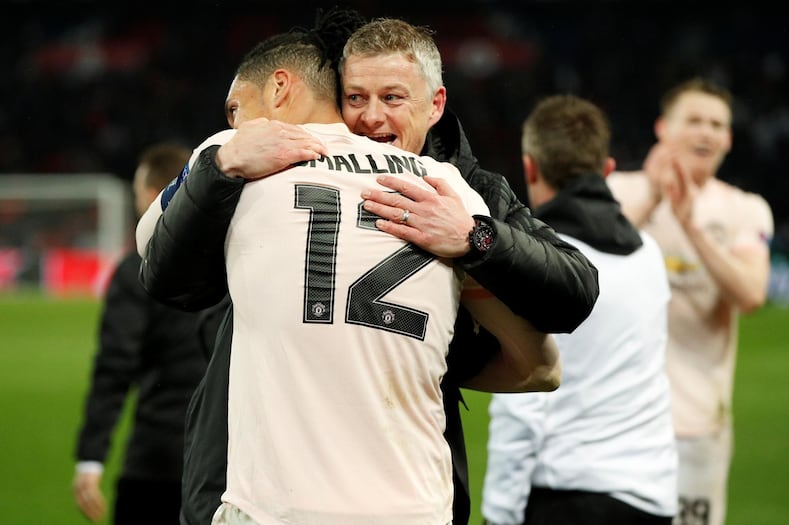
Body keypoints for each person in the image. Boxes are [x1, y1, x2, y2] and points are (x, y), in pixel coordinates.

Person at [137, 12, 598, 525]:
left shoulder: (465, 196)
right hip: (401, 499)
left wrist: (473, 240)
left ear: (436, 104)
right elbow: (541, 365)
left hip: (286, 499)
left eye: (393, 98)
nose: (372, 118)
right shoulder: (446, 184)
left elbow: (571, 298)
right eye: (356, 98)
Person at [480, 94, 678, 525]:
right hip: (653, 496)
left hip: (566, 495)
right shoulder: (650, 255)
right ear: (607, 170)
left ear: (529, 167)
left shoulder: (540, 268)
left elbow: (523, 401)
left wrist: (499, 513)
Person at [606, 77, 774, 525]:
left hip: (698, 426)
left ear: (729, 139)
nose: (706, 132)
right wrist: (654, 197)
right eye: (694, 120)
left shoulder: (745, 209)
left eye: (717, 124)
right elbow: (589, 272)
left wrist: (691, 226)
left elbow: (752, 294)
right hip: (615, 421)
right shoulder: (617, 191)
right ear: (663, 128)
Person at [72, 143, 209, 524]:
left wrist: (91, 456)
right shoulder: (229, 260)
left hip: (156, 460)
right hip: (223, 462)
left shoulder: (137, 269)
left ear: (154, 196)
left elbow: (115, 365)